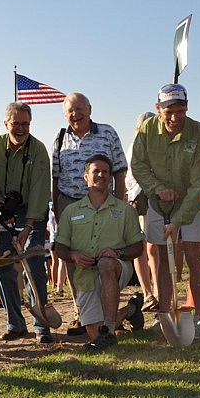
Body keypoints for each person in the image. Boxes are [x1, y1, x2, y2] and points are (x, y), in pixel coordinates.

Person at [131, 84, 200, 338]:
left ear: (187, 108)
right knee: (165, 260)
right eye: (169, 112)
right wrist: (157, 188)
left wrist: (177, 222)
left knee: (192, 255)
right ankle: (164, 314)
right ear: (158, 109)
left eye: (181, 111)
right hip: (159, 204)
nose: (175, 118)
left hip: (193, 203)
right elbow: (138, 165)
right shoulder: (146, 130)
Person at [52, 92, 127, 336]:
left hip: (103, 203)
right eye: (70, 111)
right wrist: (56, 207)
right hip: (69, 203)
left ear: (90, 109)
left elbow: (119, 171)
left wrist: (120, 202)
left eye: (79, 109)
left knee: (106, 256)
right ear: (65, 114)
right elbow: (55, 176)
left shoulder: (107, 133)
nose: (75, 114)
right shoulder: (60, 137)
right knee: (75, 262)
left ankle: (109, 314)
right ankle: (81, 314)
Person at [53, 154, 144, 352]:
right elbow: (59, 248)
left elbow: (138, 248)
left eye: (105, 172)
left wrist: (117, 253)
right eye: (96, 171)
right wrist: (74, 255)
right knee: (95, 334)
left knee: (106, 264)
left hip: (116, 268)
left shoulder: (125, 210)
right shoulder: (70, 211)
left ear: (110, 177)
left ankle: (110, 329)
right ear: (85, 176)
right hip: (84, 276)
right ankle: (131, 309)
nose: (101, 175)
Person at [0, 102, 53, 343]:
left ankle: (42, 324)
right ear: (6, 124)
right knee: (2, 266)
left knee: (34, 264)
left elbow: (40, 189)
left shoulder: (38, 149)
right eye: (16, 124)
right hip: (4, 212)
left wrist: (28, 227)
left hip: (32, 214)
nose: (21, 128)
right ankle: (15, 323)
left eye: (25, 124)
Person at [124, 111, 158, 313]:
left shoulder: (161, 146)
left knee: (155, 247)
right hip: (139, 198)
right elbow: (131, 176)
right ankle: (147, 293)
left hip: (155, 198)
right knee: (140, 249)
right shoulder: (134, 147)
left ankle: (158, 290)